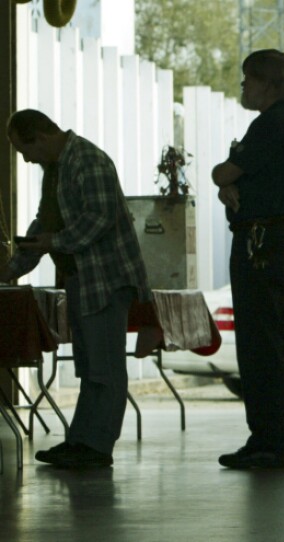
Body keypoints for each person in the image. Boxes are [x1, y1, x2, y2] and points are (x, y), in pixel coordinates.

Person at [3, 109, 151, 468]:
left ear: (40, 136)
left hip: (106, 278)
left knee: (105, 367)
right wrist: (12, 270)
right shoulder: (55, 170)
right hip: (82, 278)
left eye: (24, 150)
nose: (25, 159)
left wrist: (53, 241)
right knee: (90, 365)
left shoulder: (87, 160)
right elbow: (45, 224)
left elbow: (99, 218)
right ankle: (81, 440)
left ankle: (97, 447)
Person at [213, 49, 284, 469]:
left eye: (249, 79)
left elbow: (224, 172)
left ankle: (267, 440)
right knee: (276, 342)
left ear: (269, 82)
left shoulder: (271, 123)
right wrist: (231, 187)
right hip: (277, 237)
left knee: (259, 345)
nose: (243, 87)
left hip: (260, 242)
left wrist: (226, 183)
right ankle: (282, 440)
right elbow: (236, 180)